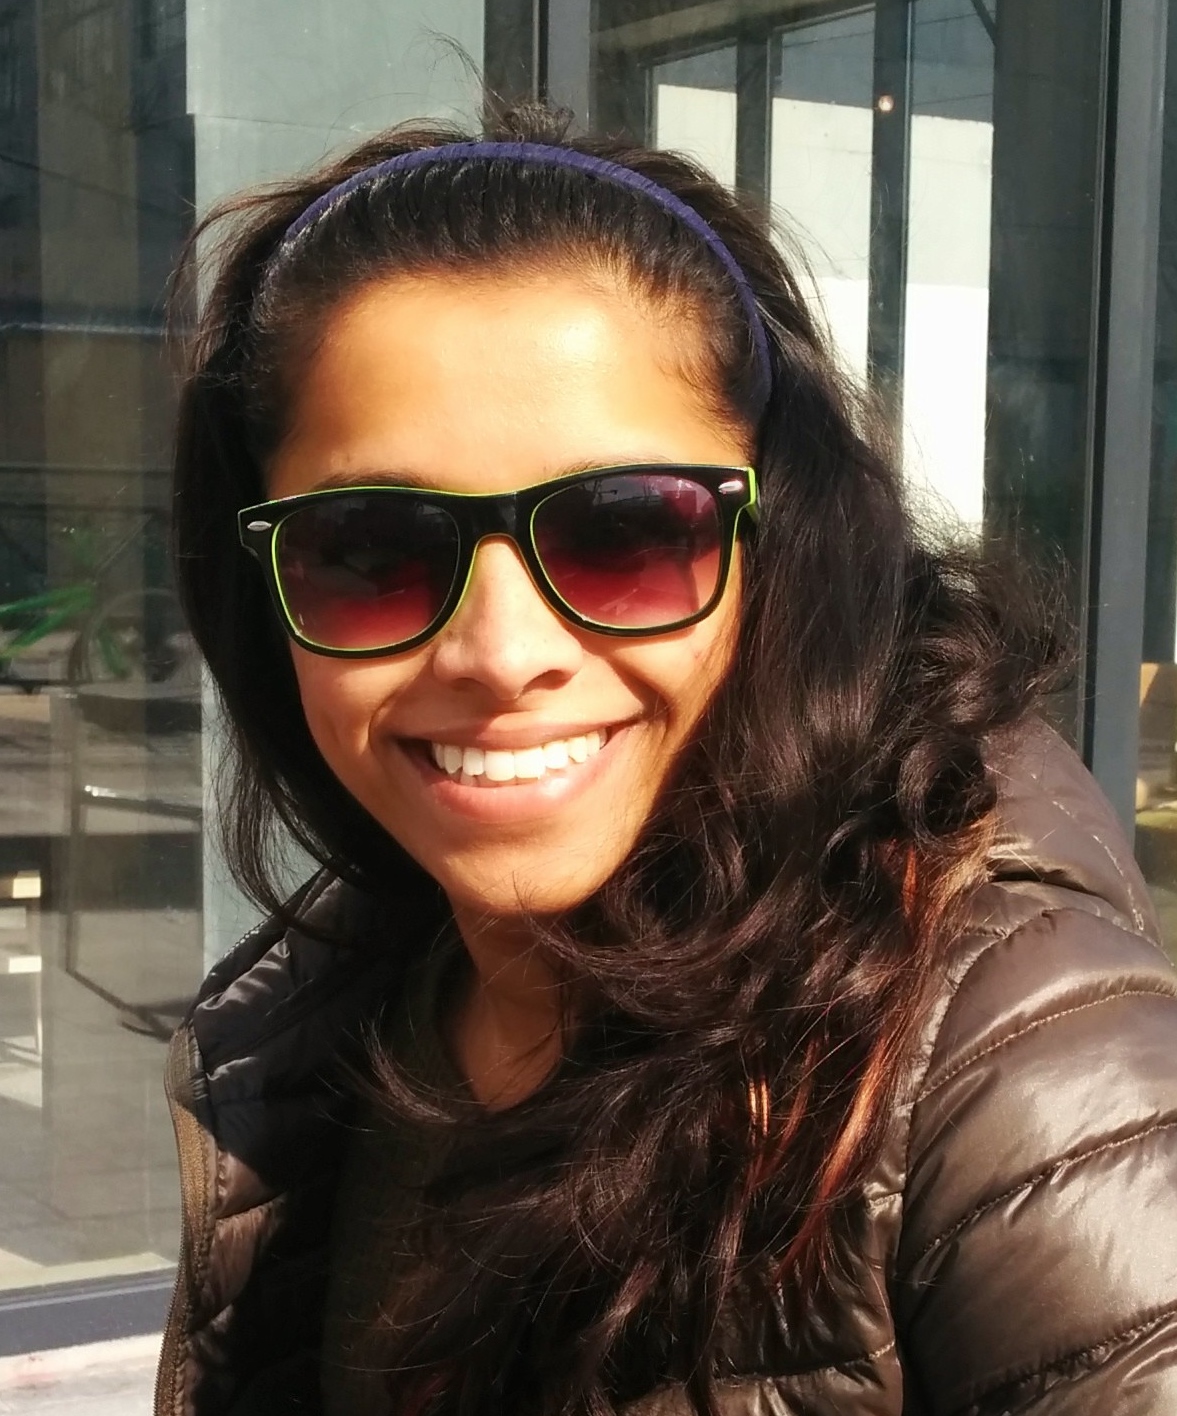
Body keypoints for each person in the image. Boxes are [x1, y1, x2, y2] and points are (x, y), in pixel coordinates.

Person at [157, 105, 1177, 1416]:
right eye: (372, 548)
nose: (500, 652)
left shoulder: (1011, 1073)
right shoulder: (313, 1029)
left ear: (780, 550)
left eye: (625, 532)